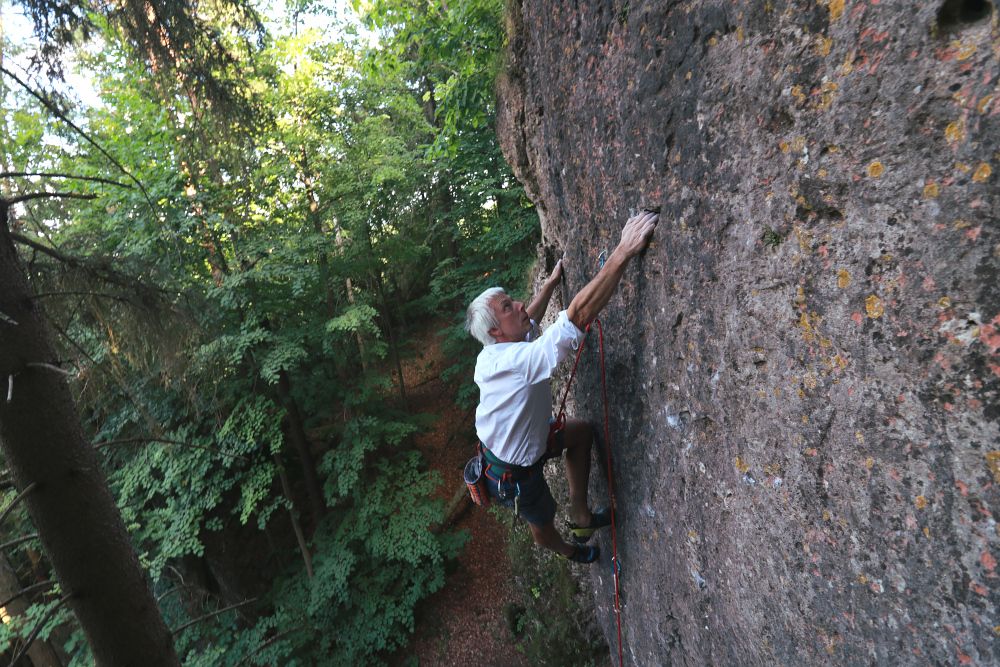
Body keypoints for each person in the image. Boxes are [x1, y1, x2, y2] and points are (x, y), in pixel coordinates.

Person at [465, 210, 658, 562]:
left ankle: (582, 517)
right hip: (513, 471)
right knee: (542, 525)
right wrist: (623, 251)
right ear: (495, 330)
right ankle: (569, 550)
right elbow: (576, 320)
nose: (519, 306)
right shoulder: (511, 362)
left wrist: (552, 283)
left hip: (527, 443)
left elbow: (529, 321)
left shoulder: (499, 347)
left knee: (582, 433)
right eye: (509, 306)